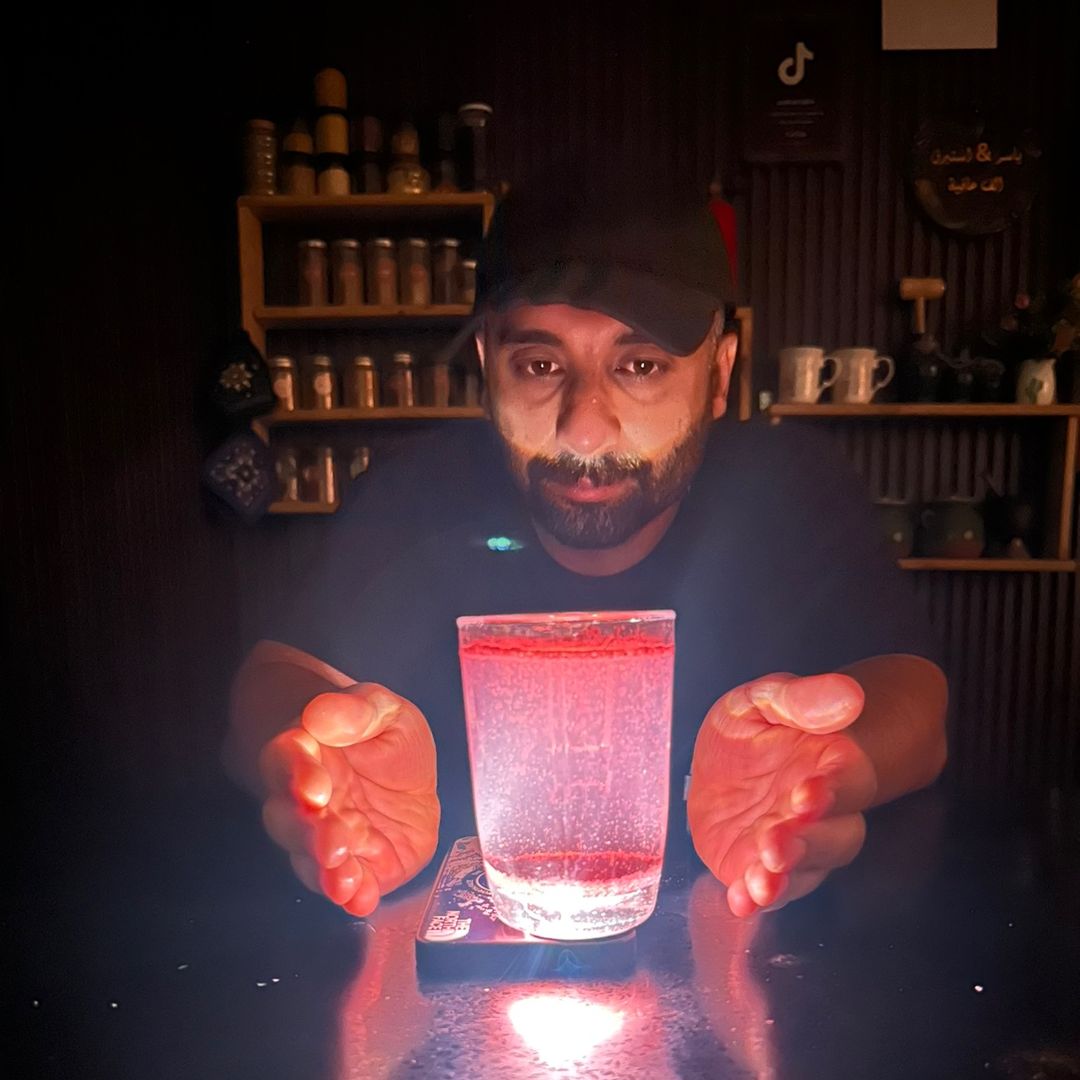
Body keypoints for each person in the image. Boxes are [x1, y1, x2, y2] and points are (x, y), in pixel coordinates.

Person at [224, 170, 948, 920]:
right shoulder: (415, 491)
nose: (585, 431)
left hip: (754, 942)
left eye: (641, 366)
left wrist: (825, 770)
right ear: (488, 368)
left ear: (719, 372)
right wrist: (317, 762)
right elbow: (275, 677)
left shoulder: (788, 488)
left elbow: (915, 699)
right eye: (540, 366)